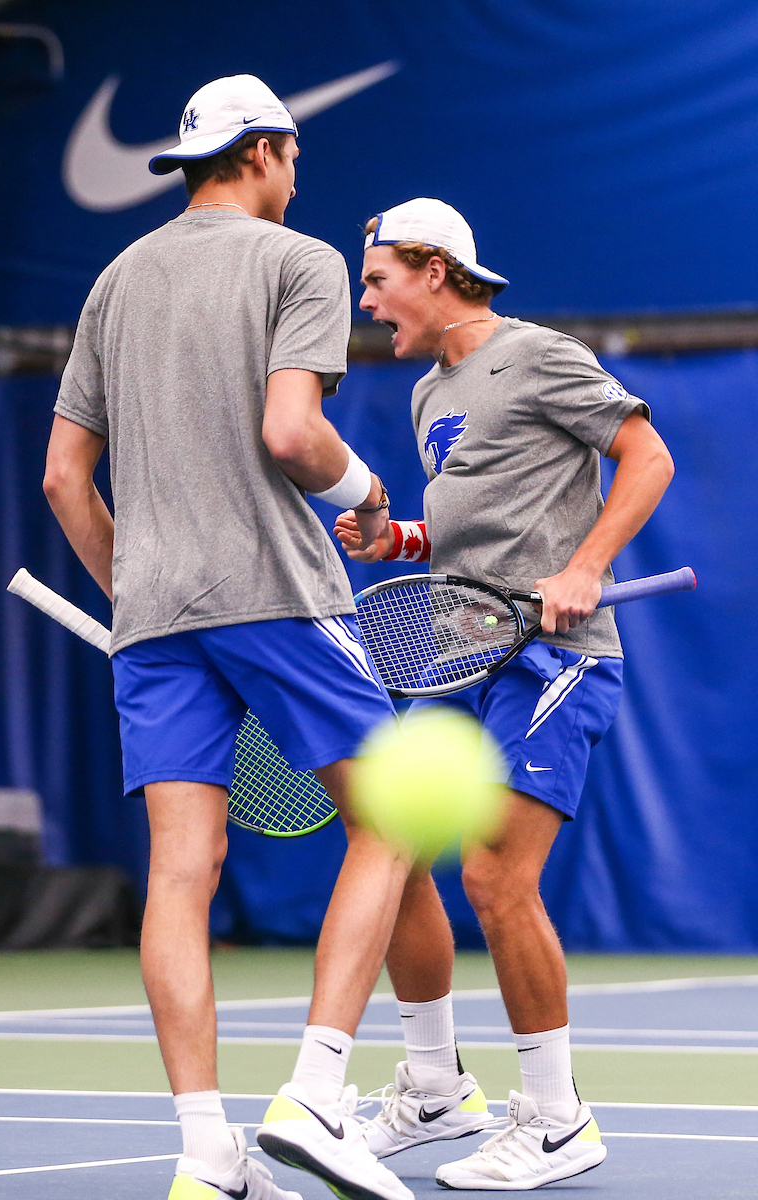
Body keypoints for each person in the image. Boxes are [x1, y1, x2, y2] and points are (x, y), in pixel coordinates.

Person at [43, 75, 420, 1200]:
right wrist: (367, 493)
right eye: (292, 158)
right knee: (396, 815)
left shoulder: (114, 280)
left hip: (154, 620)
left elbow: (64, 480)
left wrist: (139, 594)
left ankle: (206, 1153)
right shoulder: (298, 260)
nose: (296, 178)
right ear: (263, 152)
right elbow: (292, 433)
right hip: (276, 592)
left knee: (180, 873)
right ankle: (316, 1093)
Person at [335, 198, 675, 1191]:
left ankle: (558, 1120)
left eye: (378, 281)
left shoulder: (538, 356)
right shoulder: (425, 394)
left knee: (491, 876)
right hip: (459, 653)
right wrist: (398, 539)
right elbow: (472, 528)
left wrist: (586, 565)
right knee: (386, 853)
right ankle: (433, 1089)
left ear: (434, 270)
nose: (367, 303)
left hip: (554, 659)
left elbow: (646, 457)